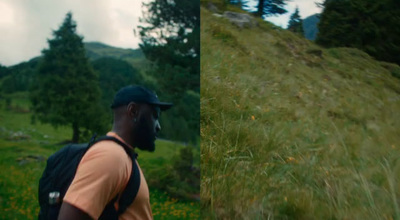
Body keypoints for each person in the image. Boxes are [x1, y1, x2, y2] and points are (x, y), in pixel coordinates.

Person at [58, 85, 172, 220]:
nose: (158, 126)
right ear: (133, 111)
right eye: (155, 115)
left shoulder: (123, 155)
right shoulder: (110, 156)